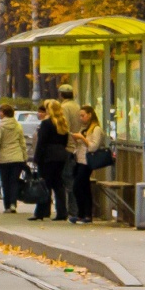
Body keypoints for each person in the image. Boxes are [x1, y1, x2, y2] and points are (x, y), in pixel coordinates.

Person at [29, 99, 70, 222]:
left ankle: (41, 212)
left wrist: (36, 158)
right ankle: (62, 212)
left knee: (44, 184)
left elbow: (41, 142)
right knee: (58, 185)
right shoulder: (63, 123)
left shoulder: (46, 123)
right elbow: (65, 141)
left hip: (47, 156)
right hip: (61, 156)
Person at [0, 104, 27, 213]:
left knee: (5, 182)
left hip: (3, 158)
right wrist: (24, 157)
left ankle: (7, 205)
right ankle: (14, 204)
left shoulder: (0, 126)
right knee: (14, 181)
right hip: (17, 157)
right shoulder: (18, 125)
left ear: (4, 113)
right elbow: (22, 143)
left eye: (0, 112)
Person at [69, 104, 102, 224]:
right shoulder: (84, 128)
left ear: (90, 115)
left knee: (78, 187)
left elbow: (93, 146)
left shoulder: (96, 129)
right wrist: (76, 138)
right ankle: (83, 214)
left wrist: (82, 138)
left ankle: (85, 213)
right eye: (80, 116)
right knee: (84, 187)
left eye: (83, 115)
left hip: (87, 161)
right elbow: (79, 144)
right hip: (79, 159)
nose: (81, 118)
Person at [57, 84, 83, 217]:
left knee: (67, 179)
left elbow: (64, 127)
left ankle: (73, 210)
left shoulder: (64, 107)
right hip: (78, 146)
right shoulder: (77, 106)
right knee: (73, 178)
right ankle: (77, 209)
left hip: (68, 146)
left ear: (61, 94)